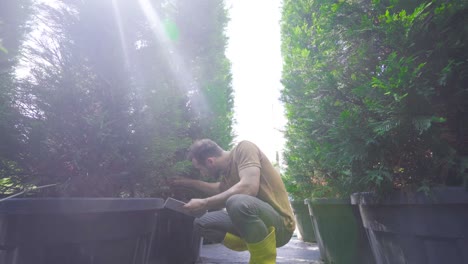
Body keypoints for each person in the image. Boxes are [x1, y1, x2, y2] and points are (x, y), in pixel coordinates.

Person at [172, 139, 295, 264]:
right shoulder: (228, 175)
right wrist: (188, 183)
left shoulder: (244, 148)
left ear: (210, 161)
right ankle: (256, 243)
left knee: (236, 201)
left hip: (281, 226)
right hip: (258, 225)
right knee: (202, 223)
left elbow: (248, 187)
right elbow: (218, 189)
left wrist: (204, 203)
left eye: (200, 169)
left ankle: (263, 260)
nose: (202, 174)